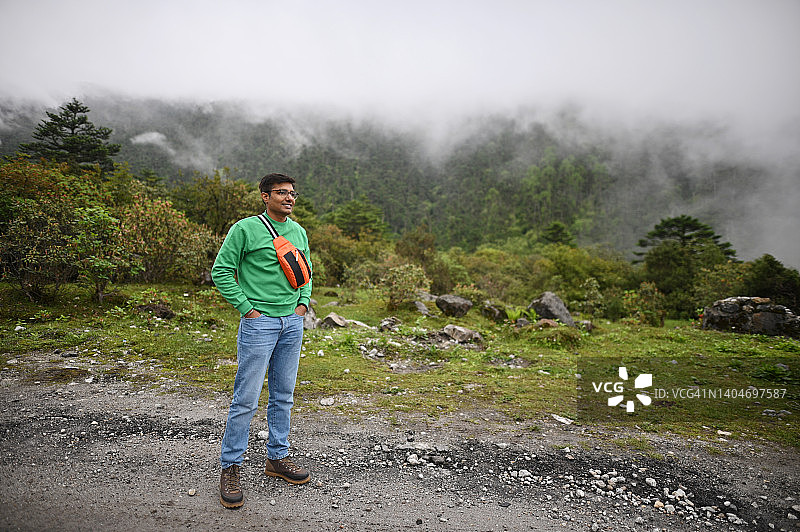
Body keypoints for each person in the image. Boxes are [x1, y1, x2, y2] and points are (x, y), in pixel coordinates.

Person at [211, 172, 313, 509]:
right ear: (264, 196)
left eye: (293, 193)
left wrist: (302, 304)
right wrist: (248, 309)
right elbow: (222, 270)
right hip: (259, 324)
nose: (289, 198)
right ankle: (230, 466)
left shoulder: (298, 231)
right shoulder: (245, 229)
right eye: (281, 192)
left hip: (291, 323)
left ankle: (276, 459)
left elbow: (307, 271)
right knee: (246, 398)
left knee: (283, 395)